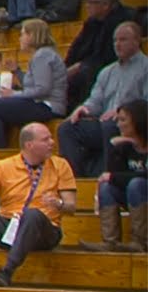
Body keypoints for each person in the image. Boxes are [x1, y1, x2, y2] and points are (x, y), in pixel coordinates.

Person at [0, 122, 76, 286]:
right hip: (10, 225)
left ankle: (6, 272)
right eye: (46, 140)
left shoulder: (61, 165)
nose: (52, 143)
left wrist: (58, 204)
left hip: (44, 229)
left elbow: (71, 207)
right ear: (29, 145)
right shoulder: (4, 166)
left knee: (32, 214)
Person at [59, 22, 148, 177]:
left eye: (123, 40)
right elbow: (96, 100)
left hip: (133, 123)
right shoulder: (107, 71)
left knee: (110, 126)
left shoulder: (146, 67)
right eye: (115, 40)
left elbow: (145, 102)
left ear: (137, 41)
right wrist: (84, 108)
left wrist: (122, 113)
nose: (117, 44)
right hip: (103, 121)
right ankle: (75, 179)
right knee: (67, 128)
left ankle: (109, 176)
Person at [0, 18, 67, 148]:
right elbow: (34, 85)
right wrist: (17, 71)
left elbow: (42, 90)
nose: (20, 38)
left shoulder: (43, 55)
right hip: (40, 103)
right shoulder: (43, 54)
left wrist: (14, 94)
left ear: (32, 36)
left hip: (47, 106)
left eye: (22, 34)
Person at [82, 99, 147, 252]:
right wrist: (115, 147)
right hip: (134, 196)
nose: (118, 124)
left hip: (141, 192)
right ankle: (110, 241)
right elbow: (111, 174)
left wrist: (114, 177)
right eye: (118, 120)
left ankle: (141, 241)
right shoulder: (123, 146)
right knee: (107, 187)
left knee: (136, 183)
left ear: (139, 120)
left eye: (123, 120)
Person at [64, 0, 137, 108]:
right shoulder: (91, 22)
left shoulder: (120, 21)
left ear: (106, 5)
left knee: (85, 73)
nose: (87, 5)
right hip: (87, 67)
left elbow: (107, 56)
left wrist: (79, 66)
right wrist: (65, 69)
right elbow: (75, 49)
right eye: (87, 1)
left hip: (107, 69)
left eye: (92, 2)